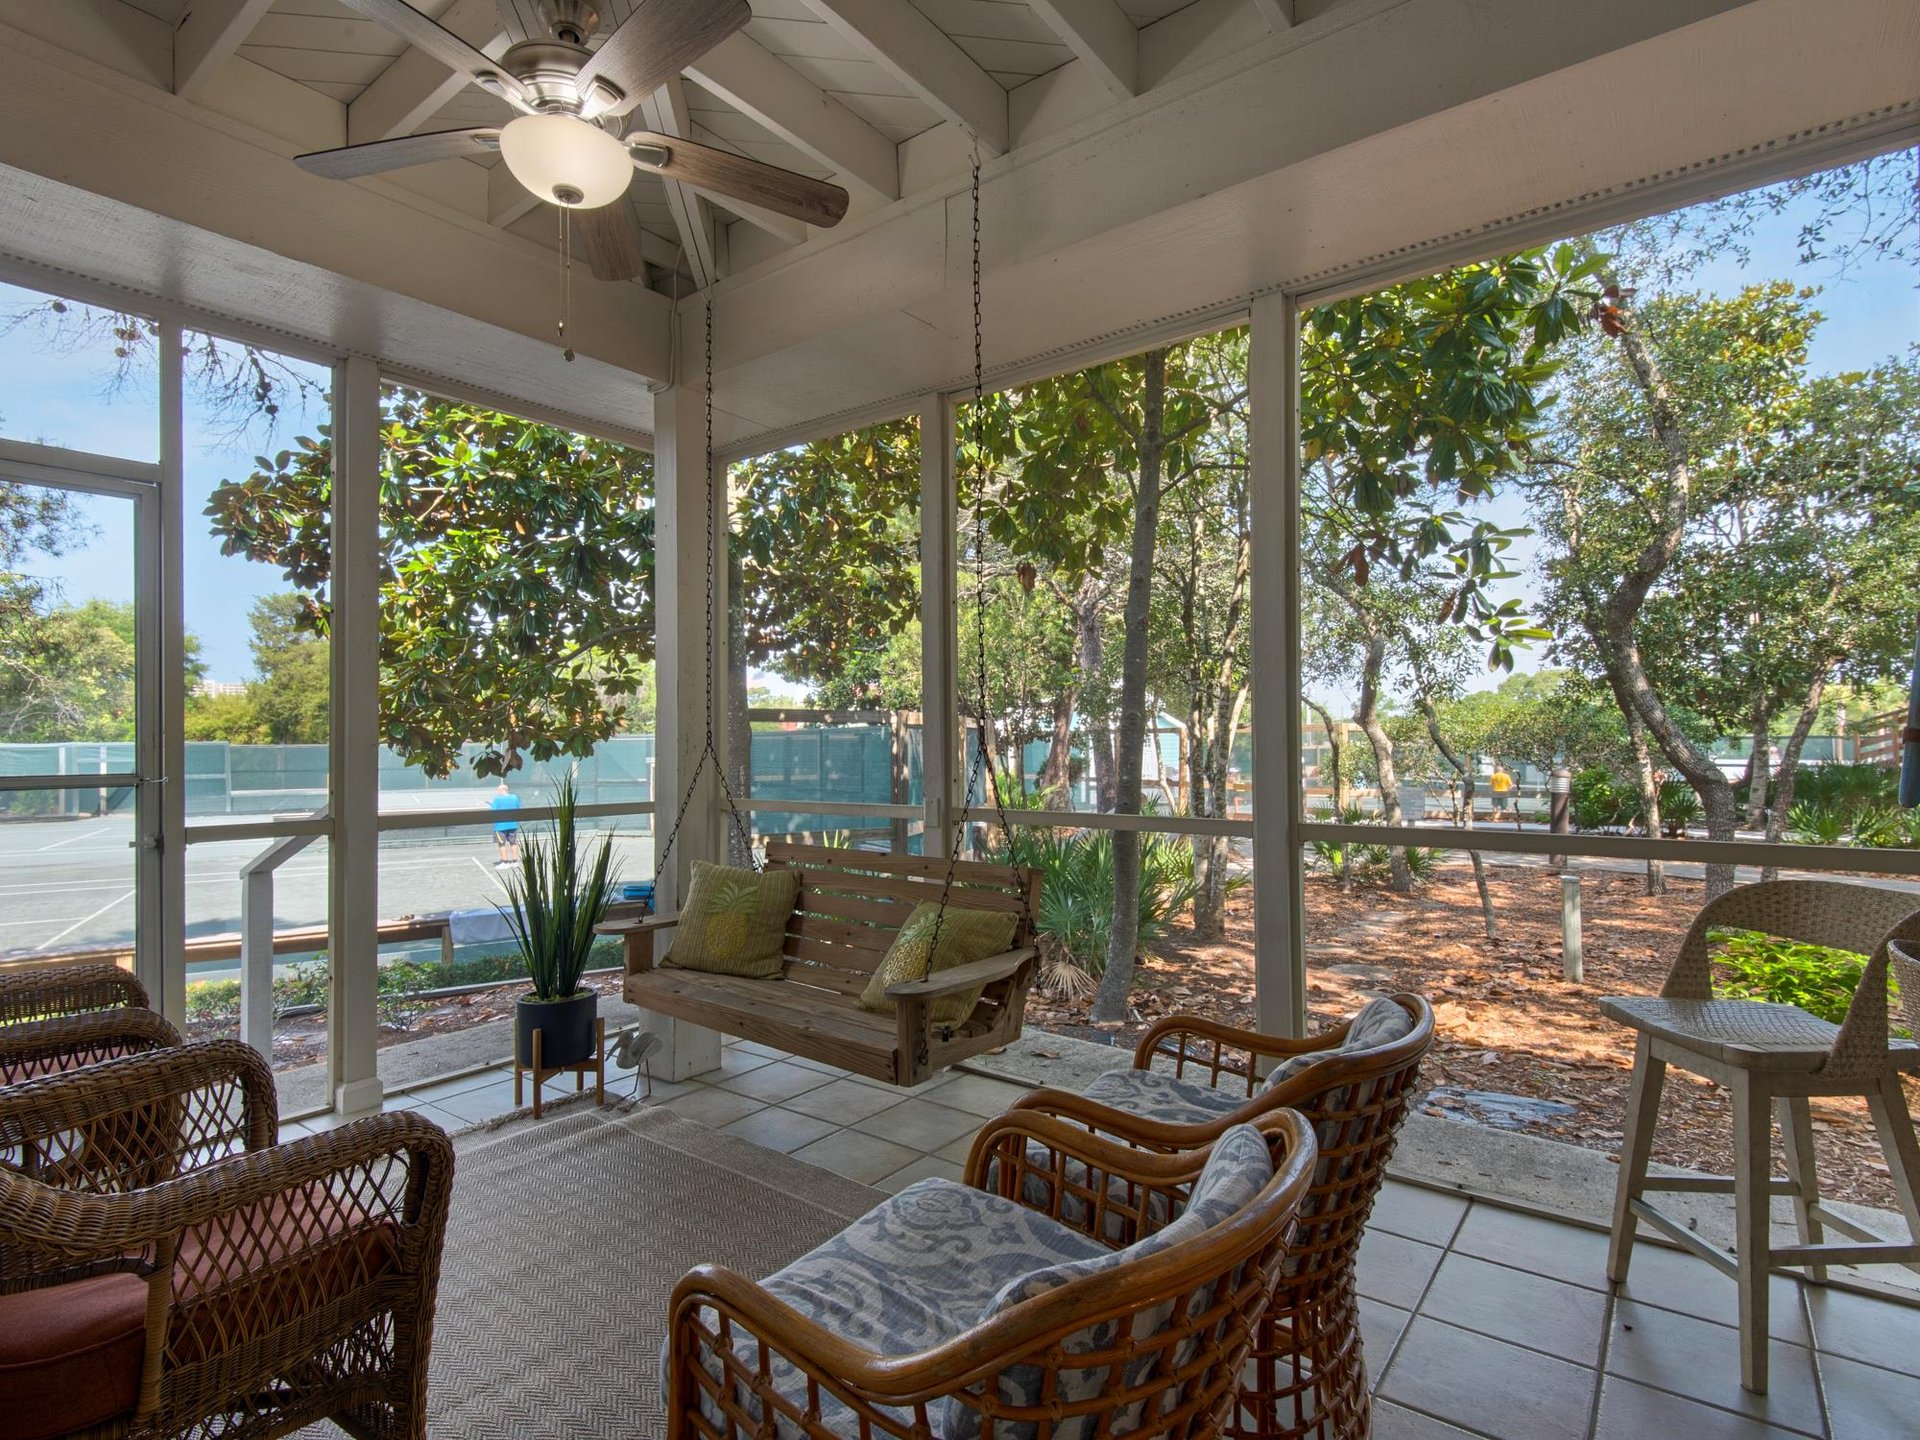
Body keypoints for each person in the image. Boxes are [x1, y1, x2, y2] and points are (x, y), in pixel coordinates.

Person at [490, 781, 522, 866]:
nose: (497, 792)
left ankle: (504, 862)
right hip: (513, 824)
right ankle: (515, 861)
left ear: (502, 790)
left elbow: (493, 811)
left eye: (498, 790)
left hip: (500, 826)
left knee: (501, 844)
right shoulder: (515, 797)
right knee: (513, 842)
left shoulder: (497, 799)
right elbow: (518, 807)